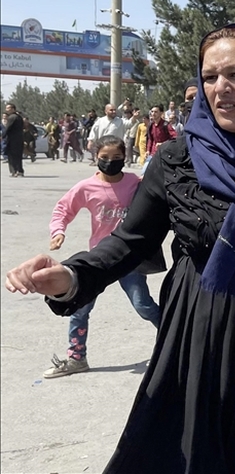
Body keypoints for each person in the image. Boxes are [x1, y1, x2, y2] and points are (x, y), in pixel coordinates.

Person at [5, 23, 235, 473]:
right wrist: (72, 276)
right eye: (210, 77)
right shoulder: (179, 158)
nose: (220, 88)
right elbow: (128, 241)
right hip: (196, 335)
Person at [44, 135, 162, 378]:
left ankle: (177, 342)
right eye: (105, 158)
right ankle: (77, 358)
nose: (111, 162)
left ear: (125, 158)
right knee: (80, 309)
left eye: (117, 158)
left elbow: (158, 199)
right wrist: (58, 231)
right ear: (96, 157)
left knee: (144, 306)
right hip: (99, 260)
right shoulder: (86, 187)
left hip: (128, 258)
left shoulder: (134, 183)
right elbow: (63, 209)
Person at [5, 103, 25, 177]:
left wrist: (2, 136)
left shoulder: (12, 117)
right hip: (19, 139)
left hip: (13, 140)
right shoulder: (18, 117)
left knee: (13, 156)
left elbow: (7, 128)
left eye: (8, 108)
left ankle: (16, 171)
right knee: (18, 156)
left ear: (13, 109)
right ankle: (19, 171)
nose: (6, 110)